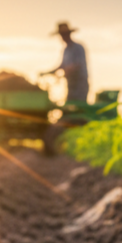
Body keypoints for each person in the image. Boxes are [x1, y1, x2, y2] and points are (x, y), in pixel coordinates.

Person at [41, 21, 90, 155]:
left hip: (79, 84)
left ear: (69, 34)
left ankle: (81, 138)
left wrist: (65, 72)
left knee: (76, 111)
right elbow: (61, 66)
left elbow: (77, 65)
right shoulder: (66, 50)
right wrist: (49, 72)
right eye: (61, 35)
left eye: (65, 34)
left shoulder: (78, 48)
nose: (63, 37)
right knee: (69, 110)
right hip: (70, 85)